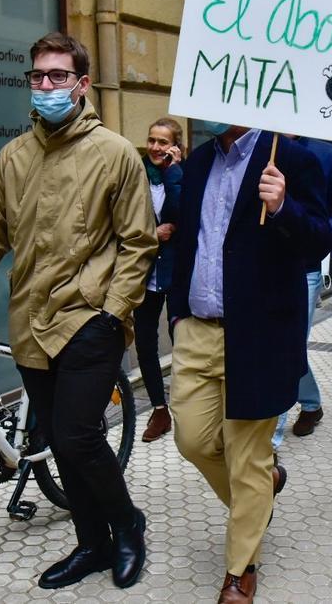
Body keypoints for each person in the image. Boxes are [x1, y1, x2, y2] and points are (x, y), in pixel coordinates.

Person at [0, 33, 155, 590]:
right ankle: (92, 543)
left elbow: (138, 243)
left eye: (58, 76)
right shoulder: (13, 157)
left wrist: (113, 310)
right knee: (58, 442)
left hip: (89, 319)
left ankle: (127, 524)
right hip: (31, 322)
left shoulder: (116, 154)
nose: (46, 85)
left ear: (82, 84)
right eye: (38, 76)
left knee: (78, 437)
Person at [167, 124, 330, 604]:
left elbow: (319, 241)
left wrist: (283, 207)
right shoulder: (199, 161)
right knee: (193, 440)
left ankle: (241, 570)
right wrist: (177, 314)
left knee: (247, 460)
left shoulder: (293, 160)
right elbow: (188, 241)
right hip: (197, 328)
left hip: (259, 336)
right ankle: (264, 488)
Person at [272, 135, 332, 447]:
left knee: (286, 348)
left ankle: (268, 442)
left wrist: (318, 232)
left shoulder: (328, 155)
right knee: (284, 347)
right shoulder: (254, 146)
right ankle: (311, 403)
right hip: (259, 267)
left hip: (304, 269)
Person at [137, 118, 184, 443]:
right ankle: (159, 409)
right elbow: (119, 221)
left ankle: (187, 407)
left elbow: (183, 216)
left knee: (182, 341)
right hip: (143, 272)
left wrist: (173, 173)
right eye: (152, 140)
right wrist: (150, 235)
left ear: (175, 146)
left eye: (163, 142)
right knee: (145, 344)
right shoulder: (135, 174)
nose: (155, 147)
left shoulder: (183, 175)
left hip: (176, 272)